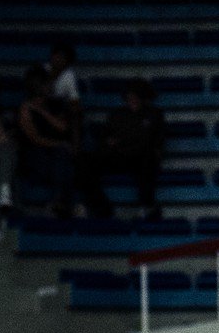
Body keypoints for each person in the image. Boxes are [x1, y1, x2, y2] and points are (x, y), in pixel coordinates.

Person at [86, 80, 166, 222]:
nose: (132, 100)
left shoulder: (154, 114)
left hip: (142, 158)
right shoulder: (117, 115)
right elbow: (106, 140)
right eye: (129, 96)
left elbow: (150, 141)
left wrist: (122, 140)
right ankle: (102, 208)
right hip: (120, 156)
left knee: (148, 158)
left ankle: (148, 207)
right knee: (85, 162)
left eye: (136, 96)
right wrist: (119, 142)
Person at [15, 66, 73, 215]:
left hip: (56, 154)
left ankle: (58, 202)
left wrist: (43, 112)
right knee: (59, 157)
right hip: (35, 154)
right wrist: (58, 144)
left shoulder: (55, 104)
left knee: (62, 157)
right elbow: (34, 138)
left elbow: (63, 128)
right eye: (48, 83)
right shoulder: (25, 109)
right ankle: (61, 203)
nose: (51, 85)